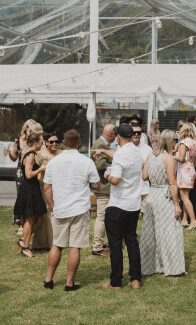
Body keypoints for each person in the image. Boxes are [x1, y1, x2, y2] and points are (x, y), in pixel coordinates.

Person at [43, 130, 100, 291]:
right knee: (75, 246)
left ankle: (48, 280)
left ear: (63, 142)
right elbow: (96, 184)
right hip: (80, 208)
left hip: (60, 208)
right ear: (79, 143)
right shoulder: (86, 161)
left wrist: (52, 206)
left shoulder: (53, 162)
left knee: (57, 244)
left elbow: (47, 188)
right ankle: (69, 283)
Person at [103, 124, 143, 290]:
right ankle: (135, 279)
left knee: (115, 244)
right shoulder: (137, 152)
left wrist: (107, 175)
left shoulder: (120, 154)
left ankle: (116, 281)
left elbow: (115, 179)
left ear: (118, 136)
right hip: (133, 204)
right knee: (132, 242)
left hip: (118, 203)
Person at [140, 130, 185, 277]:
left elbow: (144, 177)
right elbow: (172, 183)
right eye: (175, 140)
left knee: (151, 231)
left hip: (153, 195)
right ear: (170, 142)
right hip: (165, 197)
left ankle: (152, 265)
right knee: (169, 231)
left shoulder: (150, 156)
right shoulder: (169, 158)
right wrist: (177, 204)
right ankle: (171, 267)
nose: (177, 142)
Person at [13, 133, 48, 257]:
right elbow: (28, 175)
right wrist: (40, 169)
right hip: (29, 189)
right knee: (30, 219)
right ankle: (26, 248)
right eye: (41, 141)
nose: (43, 144)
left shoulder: (28, 152)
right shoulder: (30, 155)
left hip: (33, 188)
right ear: (36, 143)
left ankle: (24, 240)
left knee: (41, 217)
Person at [9, 119, 42, 234]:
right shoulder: (19, 141)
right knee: (21, 196)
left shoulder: (36, 141)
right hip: (20, 171)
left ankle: (28, 223)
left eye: (32, 126)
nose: (30, 129)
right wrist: (9, 153)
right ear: (25, 128)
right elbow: (14, 157)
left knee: (31, 197)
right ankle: (20, 223)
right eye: (28, 127)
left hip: (32, 168)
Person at [90, 124, 115, 257]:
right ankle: (97, 247)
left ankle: (101, 243)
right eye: (115, 135)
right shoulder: (101, 144)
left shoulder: (102, 144)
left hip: (104, 187)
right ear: (111, 134)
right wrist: (117, 164)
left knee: (105, 217)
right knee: (102, 217)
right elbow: (100, 165)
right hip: (103, 187)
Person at [32, 133, 60, 251]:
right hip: (45, 186)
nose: (54, 144)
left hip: (59, 186)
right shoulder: (39, 154)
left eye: (56, 141)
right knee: (47, 212)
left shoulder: (62, 154)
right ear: (46, 143)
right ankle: (42, 242)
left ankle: (57, 240)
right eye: (51, 141)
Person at [174, 124, 196, 229]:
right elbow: (194, 159)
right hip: (191, 170)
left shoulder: (184, 143)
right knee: (186, 196)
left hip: (184, 171)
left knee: (184, 197)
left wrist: (171, 157)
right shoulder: (194, 143)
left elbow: (181, 158)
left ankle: (193, 221)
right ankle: (184, 220)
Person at [132, 125, 153, 214]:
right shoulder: (125, 147)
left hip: (144, 187)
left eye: (139, 133)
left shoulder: (147, 149)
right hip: (131, 188)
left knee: (146, 215)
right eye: (134, 133)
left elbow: (151, 165)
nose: (136, 134)